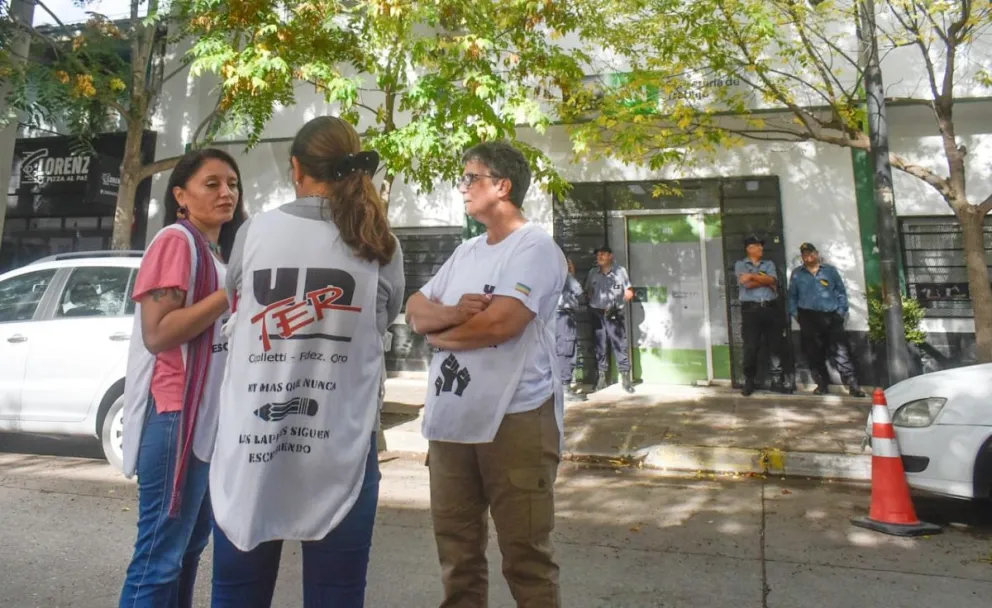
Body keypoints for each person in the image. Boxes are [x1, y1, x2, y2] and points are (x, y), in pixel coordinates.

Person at [207, 116, 404, 607]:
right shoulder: (380, 242)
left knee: (236, 594)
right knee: (336, 595)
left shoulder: (253, 233)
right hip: (343, 446)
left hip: (252, 445)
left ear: (297, 168)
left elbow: (235, 305)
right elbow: (383, 321)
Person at [405, 140, 566, 607]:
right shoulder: (467, 252)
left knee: (526, 557)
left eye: (470, 178)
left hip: (515, 420)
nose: (462, 189)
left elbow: (503, 323)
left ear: (502, 185)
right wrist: (454, 313)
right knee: (457, 555)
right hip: (452, 422)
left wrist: (440, 333)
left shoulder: (534, 247)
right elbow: (416, 308)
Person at [119, 148, 245, 608]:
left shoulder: (216, 252)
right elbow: (158, 333)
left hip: (206, 423)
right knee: (160, 557)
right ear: (180, 195)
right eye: (211, 183)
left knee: (186, 552)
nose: (226, 192)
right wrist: (231, 293)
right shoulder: (177, 241)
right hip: (176, 416)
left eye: (231, 183)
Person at [787, 242, 867, 397]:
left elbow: (840, 292)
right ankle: (821, 384)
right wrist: (796, 315)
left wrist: (841, 312)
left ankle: (853, 385)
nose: (807, 256)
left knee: (842, 353)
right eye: (804, 254)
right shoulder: (797, 273)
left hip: (831, 316)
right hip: (808, 317)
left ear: (817, 254)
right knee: (814, 353)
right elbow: (792, 297)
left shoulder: (830, 271)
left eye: (810, 253)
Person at [735, 234, 791, 396]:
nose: (761, 248)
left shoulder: (769, 263)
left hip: (770, 308)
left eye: (761, 246)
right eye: (757, 246)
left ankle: (777, 381)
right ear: (748, 248)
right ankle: (749, 380)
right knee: (751, 346)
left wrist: (753, 276)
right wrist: (762, 279)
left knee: (775, 344)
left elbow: (772, 280)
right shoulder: (740, 264)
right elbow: (746, 283)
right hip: (750, 310)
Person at [585, 245, 635, 393]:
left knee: (620, 345)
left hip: (614, 315)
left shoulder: (620, 272)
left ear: (611, 256)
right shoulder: (593, 273)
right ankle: (602, 379)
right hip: (597, 314)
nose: (599, 257)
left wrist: (621, 303)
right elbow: (588, 291)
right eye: (598, 255)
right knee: (600, 346)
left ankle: (626, 380)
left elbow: (629, 291)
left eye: (603, 254)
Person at [557, 258, 587, 402]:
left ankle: (559, 387)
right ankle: (565, 388)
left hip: (552, 318)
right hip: (564, 316)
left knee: (558, 349)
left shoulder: (546, 274)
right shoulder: (564, 275)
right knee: (567, 350)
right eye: (568, 263)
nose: (571, 266)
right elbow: (579, 291)